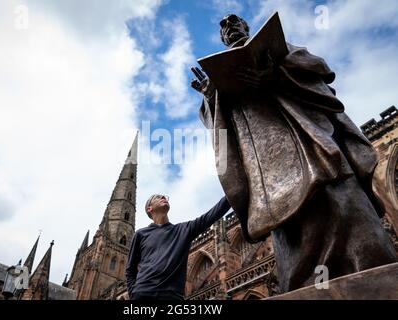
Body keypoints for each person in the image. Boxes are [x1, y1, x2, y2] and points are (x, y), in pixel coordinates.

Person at [191, 14, 398, 292]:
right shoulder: (224, 79)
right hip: (271, 176)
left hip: (317, 149)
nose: (230, 29)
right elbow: (217, 125)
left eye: (235, 23)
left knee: (352, 219)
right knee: (299, 245)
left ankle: (376, 285)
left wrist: (275, 75)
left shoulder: (284, 52)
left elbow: (319, 71)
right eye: (224, 28)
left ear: (247, 27)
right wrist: (210, 96)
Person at [125, 194, 231, 300]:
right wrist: (133, 293)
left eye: (164, 197)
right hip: (142, 295)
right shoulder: (140, 234)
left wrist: (232, 190)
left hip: (171, 297)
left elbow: (211, 216)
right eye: (157, 197)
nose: (163, 197)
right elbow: (130, 269)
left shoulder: (183, 230)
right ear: (149, 209)